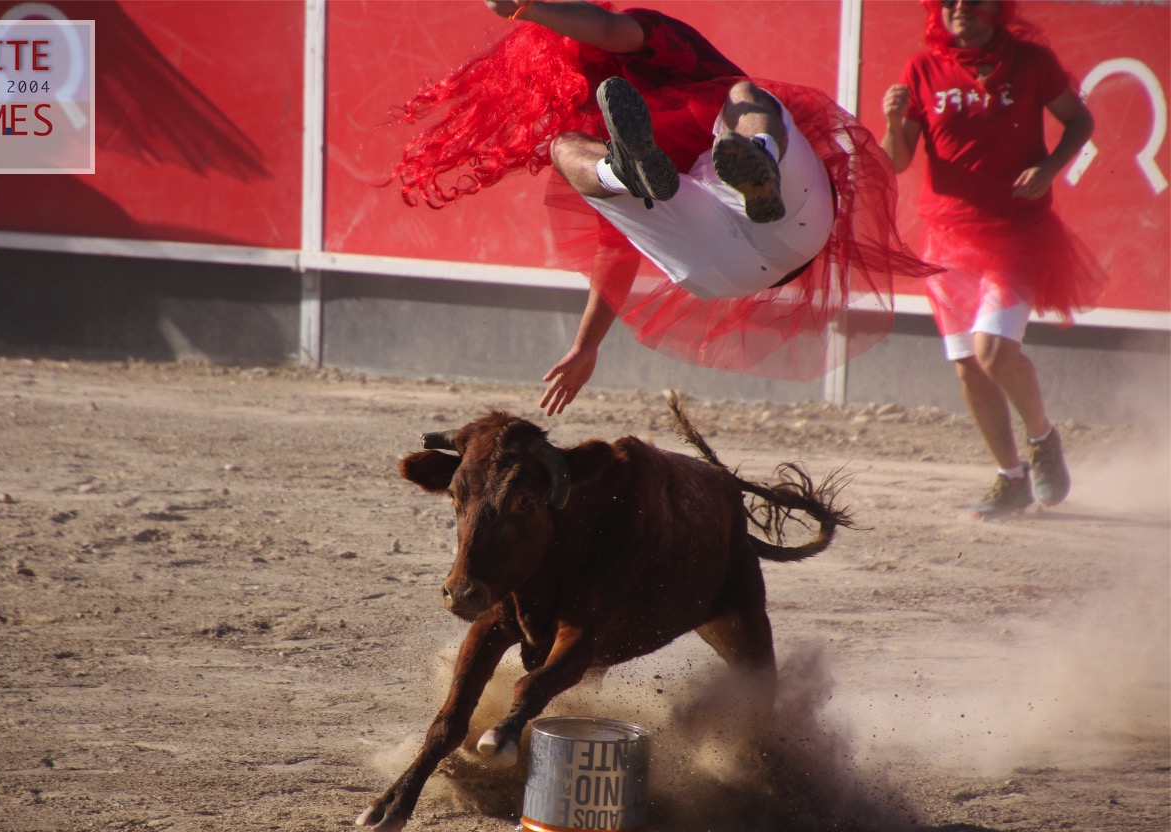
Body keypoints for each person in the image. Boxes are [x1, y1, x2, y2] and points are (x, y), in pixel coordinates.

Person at [390, 0, 936, 414]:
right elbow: (609, 30)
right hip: (796, 223)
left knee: (568, 150)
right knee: (743, 98)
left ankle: (688, 171)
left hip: (711, 265)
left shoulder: (604, 97)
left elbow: (617, 256)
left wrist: (586, 348)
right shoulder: (635, 66)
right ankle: (739, 163)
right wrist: (529, 6)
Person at [880, 0, 1106, 518]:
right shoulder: (922, 69)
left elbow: (1079, 119)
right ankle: (1011, 479)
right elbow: (896, 159)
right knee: (968, 366)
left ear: (997, 7)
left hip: (1017, 232)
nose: (960, 7)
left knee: (994, 352)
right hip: (948, 239)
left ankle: (1042, 439)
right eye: (949, 0)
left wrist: (1049, 168)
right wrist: (892, 120)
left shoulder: (1030, 61)